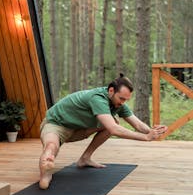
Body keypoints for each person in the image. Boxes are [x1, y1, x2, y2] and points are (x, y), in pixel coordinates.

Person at [38, 74, 167, 189]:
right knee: (51, 146)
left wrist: (152, 131)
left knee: (113, 123)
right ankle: (46, 171)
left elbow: (137, 124)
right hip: (56, 124)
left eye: (126, 100)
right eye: (121, 98)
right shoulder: (98, 98)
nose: (123, 103)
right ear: (111, 90)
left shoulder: (118, 103)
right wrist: (145, 138)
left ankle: (85, 158)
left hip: (78, 129)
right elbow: (114, 129)